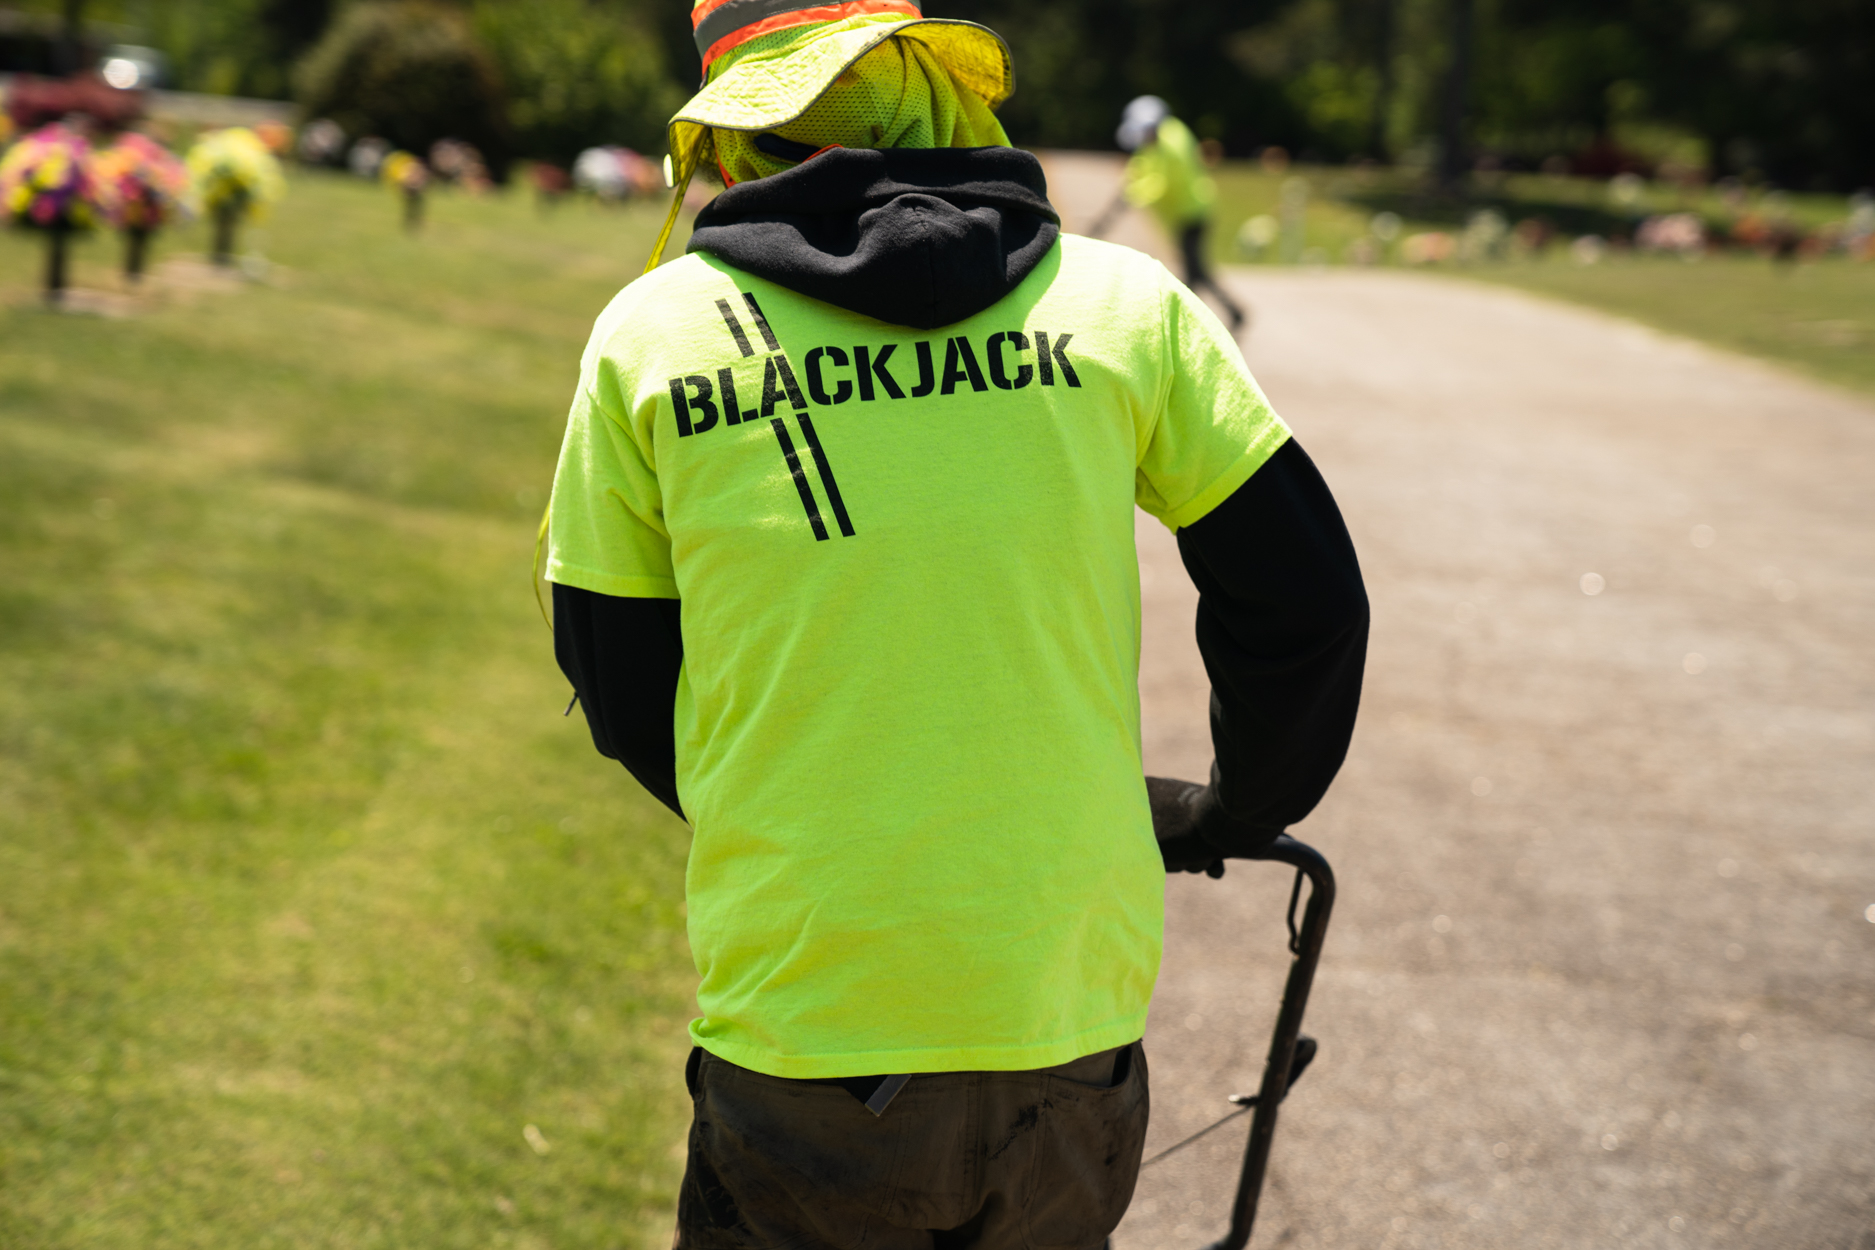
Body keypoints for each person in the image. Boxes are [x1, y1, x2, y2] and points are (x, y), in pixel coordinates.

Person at [542, 3, 1368, 1246]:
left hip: (804, 1036)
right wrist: (1240, 805)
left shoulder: (651, 335)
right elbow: (1303, 599)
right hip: (1064, 1041)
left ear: (732, 130)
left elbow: (619, 682)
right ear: (934, 88)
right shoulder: (1123, 307)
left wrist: (786, 796)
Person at [1114, 94, 1248, 334]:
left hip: (1193, 212)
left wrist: (1131, 196)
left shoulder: (1169, 142)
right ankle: (1228, 314)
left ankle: (1188, 322)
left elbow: (1160, 182)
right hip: (1189, 212)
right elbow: (1144, 163)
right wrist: (1130, 185)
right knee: (1196, 271)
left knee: (1194, 273)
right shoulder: (1167, 134)